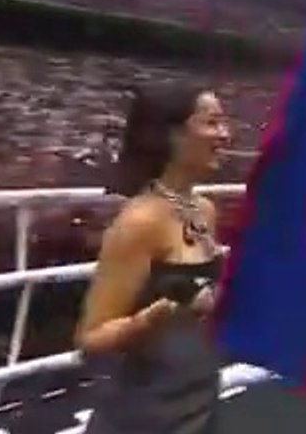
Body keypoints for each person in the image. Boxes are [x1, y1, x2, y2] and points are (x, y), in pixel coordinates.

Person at [75, 84, 231, 434]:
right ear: (173, 135)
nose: (225, 134)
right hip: (145, 415)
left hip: (200, 397)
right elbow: (91, 338)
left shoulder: (204, 210)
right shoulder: (139, 223)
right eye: (212, 123)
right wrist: (151, 318)